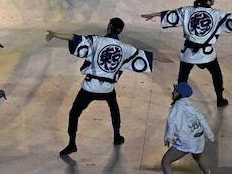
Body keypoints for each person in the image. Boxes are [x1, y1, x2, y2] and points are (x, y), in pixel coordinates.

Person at [47, 17, 154, 157]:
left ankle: (72, 144)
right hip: (108, 89)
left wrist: (55, 34)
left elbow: (74, 38)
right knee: (114, 109)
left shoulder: (97, 41)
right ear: (120, 31)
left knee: (74, 114)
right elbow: (145, 58)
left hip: (90, 87)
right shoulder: (126, 48)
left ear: (109, 26)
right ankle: (117, 136)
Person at [140, 0, 232, 107]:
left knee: (182, 77)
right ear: (209, 0)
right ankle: (220, 98)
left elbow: (170, 14)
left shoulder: (187, 11)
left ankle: (179, 101)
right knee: (216, 74)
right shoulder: (217, 15)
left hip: (188, 54)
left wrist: (154, 15)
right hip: (207, 55)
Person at [160, 82, 214, 174]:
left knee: (165, 162)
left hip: (186, 141)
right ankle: (207, 172)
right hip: (199, 139)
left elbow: (171, 123)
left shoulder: (177, 107)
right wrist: (209, 134)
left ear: (179, 94)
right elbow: (202, 119)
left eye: (175, 91)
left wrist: (168, 138)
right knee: (197, 158)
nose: (172, 92)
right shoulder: (191, 105)